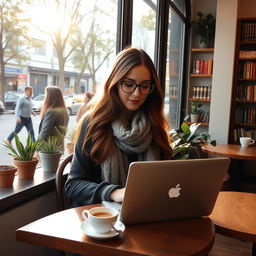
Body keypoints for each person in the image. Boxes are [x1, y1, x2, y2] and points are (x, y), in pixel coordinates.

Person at [65, 47, 172, 208]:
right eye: (129, 84)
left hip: (144, 212)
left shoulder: (155, 125)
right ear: (114, 83)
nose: (137, 93)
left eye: (144, 86)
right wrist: (113, 193)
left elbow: (165, 179)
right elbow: (73, 185)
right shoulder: (93, 124)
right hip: (100, 219)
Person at [38, 86, 69, 152]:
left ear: (50, 97)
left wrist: (37, 150)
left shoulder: (51, 112)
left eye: (46, 95)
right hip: (59, 148)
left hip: (48, 151)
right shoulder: (64, 111)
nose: (45, 97)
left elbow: (44, 133)